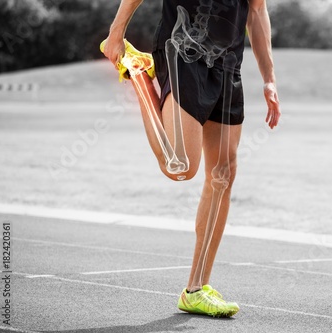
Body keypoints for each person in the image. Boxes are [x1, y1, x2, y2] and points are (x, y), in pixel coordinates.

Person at [102, 0, 280, 318]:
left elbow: (256, 10)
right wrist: (116, 33)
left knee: (223, 175)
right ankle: (139, 75)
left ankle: (196, 289)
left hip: (228, 64)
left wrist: (269, 79)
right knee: (180, 166)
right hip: (182, 51)